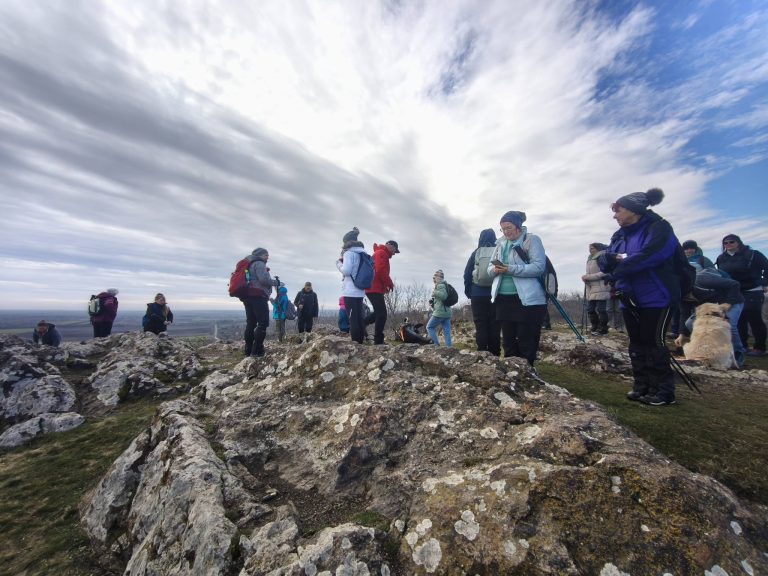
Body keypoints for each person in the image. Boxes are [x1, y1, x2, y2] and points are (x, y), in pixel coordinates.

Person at [598, 188, 681, 406]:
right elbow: (605, 259)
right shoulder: (619, 235)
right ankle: (641, 385)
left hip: (657, 295)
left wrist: (620, 265)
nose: (615, 215)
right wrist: (611, 259)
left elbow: (652, 256)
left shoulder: (659, 228)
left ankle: (663, 391)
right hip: (629, 295)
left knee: (654, 341)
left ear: (634, 210)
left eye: (618, 210)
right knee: (636, 342)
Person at [488, 211, 547, 366]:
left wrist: (510, 269)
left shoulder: (532, 240)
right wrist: (494, 270)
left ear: (518, 226)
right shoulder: (499, 244)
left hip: (527, 299)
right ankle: (511, 372)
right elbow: (488, 268)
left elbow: (539, 267)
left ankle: (528, 372)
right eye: (503, 229)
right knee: (507, 339)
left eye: (509, 227)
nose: (506, 232)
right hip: (502, 298)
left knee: (526, 338)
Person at [675, 267, 745, 367]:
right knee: (690, 323)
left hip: (732, 301)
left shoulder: (702, 280)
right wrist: (681, 334)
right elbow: (684, 314)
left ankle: (738, 353)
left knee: (730, 325)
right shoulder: (683, 297)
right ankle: (707, 348)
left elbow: (735, 284)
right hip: (709, 307)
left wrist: (729, 303)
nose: (687, 299)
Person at [715, 234, 768, 357]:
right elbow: (721, 273)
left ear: (738, 242)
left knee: (753, 316)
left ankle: (760, 347)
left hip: (752, 289)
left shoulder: (753, 254)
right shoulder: (721, 258)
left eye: (731, 242)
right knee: (738, 319)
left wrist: (764, 282)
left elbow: (766, 267)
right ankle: (742, 345)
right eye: (725, 243)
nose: (728, 244)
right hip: (733, 290)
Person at [463, 228, 500, 355]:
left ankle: (482, 352)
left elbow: (467, 274)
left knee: (481, 324)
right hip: (496, 294)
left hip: (477, 294)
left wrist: (469, 292)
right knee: (495, 324)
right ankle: (495, 353)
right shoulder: (499, 251)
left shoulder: (476, 253)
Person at [240, 248, 281, 357]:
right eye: (266, 255)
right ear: (260, 255)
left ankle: (248, 351)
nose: (268, 257)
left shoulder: (249, 264)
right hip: (258, 296)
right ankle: (257, 351)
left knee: (251, 323)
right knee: (262, 323)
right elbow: (264, 280)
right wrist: (276, 282)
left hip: (247, 296)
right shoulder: (259, 263)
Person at [365, 240, 399, 344]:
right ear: (390, 246)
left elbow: (379, 271)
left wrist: (385, 287)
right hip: (373, 288)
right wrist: (389, 283)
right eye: (394, 251)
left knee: (378, 312)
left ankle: (362, 323)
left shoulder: (379, 253)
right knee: (382, 314)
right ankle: (378, 340)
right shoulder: (381, 253)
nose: (394, 254)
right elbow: (380, 270)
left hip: (373, 287)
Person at [337, 227, 367, 344]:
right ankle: (360, 341)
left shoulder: (349, 253)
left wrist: (338, 264)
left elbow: (347, 271)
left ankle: (356, 344)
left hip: (350, 291)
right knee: (359, 317)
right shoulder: (363, 253)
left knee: (352, 319)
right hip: (360, 290)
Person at [582, 243, 611, 336]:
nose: (590, 250)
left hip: (602, 286)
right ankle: (595, 326)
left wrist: (588, 277)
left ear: (598, 248)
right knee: (590, 309)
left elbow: (604, 272)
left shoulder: (602, 257)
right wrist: (586, 279)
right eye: (589, 248)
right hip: (592, 288)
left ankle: (603, 329)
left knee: (601, 309)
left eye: (592, 248)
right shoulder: (590, 259)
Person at [427, 270, 453, 346]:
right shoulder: (445, 285)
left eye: (434, 277)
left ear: (438, 278)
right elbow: (441, 299)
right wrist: (433, 303)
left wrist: (434, 293)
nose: (433, 279)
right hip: (447, 312)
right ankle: (449, 348)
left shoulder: (440, 285)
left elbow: (443, 296)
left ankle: (436, 345)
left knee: (429, 327)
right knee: (447, 331)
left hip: (440, 312)